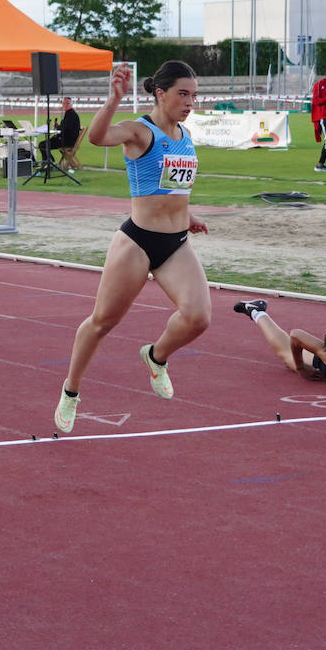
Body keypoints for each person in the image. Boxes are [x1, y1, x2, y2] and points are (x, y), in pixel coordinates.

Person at [53, 61, 210, 434]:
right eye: (182, 94)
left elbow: (173, 184)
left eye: (194, 95)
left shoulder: (184, 135)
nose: (190, 102)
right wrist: (114, 99)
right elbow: (96, 138)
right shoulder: (140, 131)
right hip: (137, 242)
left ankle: (156, 357)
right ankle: (71, 391)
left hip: (175, 243)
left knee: (198, 317)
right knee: (102, 322)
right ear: (160, 94)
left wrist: (187, 215)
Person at [39, 96, 82, 163]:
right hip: (65, 139)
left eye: (67, 103)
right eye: (64, 103)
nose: (64, 105)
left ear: (70, 104)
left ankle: (50, 162)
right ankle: (49, 161)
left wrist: (58, 131)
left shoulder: (71, 114)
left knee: (43, 145)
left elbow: (66, 129)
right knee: (42, 144)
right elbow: (64, 128)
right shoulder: (69, 114)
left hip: (67, 141)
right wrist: (58, 127)